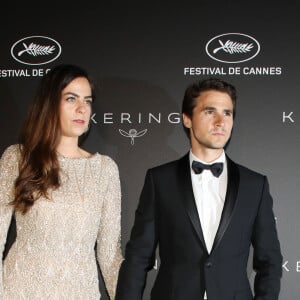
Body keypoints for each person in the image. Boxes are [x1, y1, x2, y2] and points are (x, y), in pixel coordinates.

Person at [116, 78, 282, 300]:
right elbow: (138, 257)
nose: (220, 121)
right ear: (187, 119)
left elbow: (269, 262)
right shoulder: (160, 180)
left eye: (227, 113)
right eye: (209, 112)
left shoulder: (255, 185)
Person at [0, 64, 123, 299]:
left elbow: (109, 256)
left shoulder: (104, 170)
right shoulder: (18, 158)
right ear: (49, 104)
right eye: (71, 99)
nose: (81, 109)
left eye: (87, 101)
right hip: (20, 292)